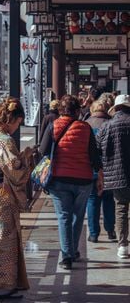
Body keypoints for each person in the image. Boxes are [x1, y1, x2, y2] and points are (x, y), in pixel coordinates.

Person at [39, 94, 103, 270]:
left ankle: (66, 256)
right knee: (77, 216)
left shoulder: (54, 125)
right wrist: (100, 176)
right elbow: (94, 155)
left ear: (61, 110)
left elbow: (43, 150)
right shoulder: (85, 127)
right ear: (77, 111)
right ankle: (73, 251)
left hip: (59, 179)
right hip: (83, 180)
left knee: (64, 216)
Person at [0, 97, 34, 299]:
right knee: (4, 240)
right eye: (17, 123)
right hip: (2, 195)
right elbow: (16, 172)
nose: (16, 127)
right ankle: (2, 285)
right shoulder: (4, 140)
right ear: (11, 119)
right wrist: (27, 160)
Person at [97, 94, 130, 259]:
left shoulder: (106, 126)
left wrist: (101, 172)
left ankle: (123, 246)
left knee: (121, 208)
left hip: (116, 175)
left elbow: (97, 150)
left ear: (115, 109)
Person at [86, 98, 116, 243]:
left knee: (92, 200)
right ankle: (110, 231)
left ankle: (93, 234)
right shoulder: (111, 124)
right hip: (110, 168)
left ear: (93, 110)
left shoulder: (86, 124)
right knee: (108, 199)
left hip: (91, 168)